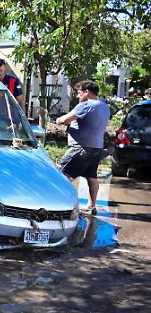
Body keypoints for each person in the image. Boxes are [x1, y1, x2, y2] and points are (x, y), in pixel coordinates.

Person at [55, 80, 110, 215]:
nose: (78, 96)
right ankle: (91, 206)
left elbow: (65, 120)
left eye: (79, 93)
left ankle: (63, 206)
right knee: (91, 176)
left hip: (81, 148)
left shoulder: (86, 105)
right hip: (97, 147)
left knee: (62, 174)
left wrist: (58, 119)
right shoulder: (104, 106)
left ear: (87, 92)